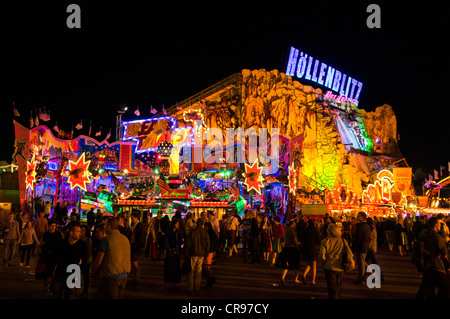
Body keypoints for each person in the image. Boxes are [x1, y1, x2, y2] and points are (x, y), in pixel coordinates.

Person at [90, 217, 131, 299]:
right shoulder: (125, 239)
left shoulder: (106, 240)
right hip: (124, 276)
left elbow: (98, 260)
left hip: (111, 277)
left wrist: (92, 274)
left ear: (109, 226)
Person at [415, 217, 450, 299]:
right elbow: (444, 254)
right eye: (439, 224)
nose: (440, 226)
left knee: (424, 289)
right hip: (436, 266)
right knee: (446, 287)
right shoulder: (437, 238)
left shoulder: (423, 234)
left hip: (426, 264)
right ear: (435, 225)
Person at [52, 222, 87, 299]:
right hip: (61, 271)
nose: (80, 234)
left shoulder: (82, 245)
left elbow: (84, 261)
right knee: (57, 292)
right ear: (71, 232)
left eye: (80, 232)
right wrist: (50, 272)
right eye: (78, 232)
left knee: (70, 294)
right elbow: (55, 258)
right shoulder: (62, 243)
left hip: (74, 273)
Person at [319, 223, 353, 299]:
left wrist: (323, 264)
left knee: (332, 288)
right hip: (340, 266)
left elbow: (322, 255)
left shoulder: (325, 241)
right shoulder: (343, 241)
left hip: (329, 266)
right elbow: (350, 253)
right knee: (338, 287)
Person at [184, 218, 210, 296]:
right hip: (201, 254)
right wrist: (206, 253)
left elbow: (188, 243)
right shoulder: (205, 233)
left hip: (193, 253)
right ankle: (197, 287)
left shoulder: (193, 232)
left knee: (191, 271)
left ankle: (190, 288)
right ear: (202, 224)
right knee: (199, 271)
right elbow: (207, 244)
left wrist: (186, 252)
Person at [40, 220, 63, 295]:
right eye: (52, 226)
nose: (53, 228)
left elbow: (60, 245)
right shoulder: (46, 234)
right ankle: (46, 286)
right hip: (46, 256)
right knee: (45, 271)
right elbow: (43, 244)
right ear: (49, 226)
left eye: (55, 226)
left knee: (51, 271)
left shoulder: (58, 234)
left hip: (55, 256)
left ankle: (50, 287)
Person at [278, 219, 301, 286]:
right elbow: (295, 241)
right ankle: (296, 279)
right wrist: (300, 244)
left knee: (285, 264)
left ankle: (283, 277)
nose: (295, 225)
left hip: (286, 248)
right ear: (291, 225)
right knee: (295, 265)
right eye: (294, 224)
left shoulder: (286, 231)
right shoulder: (293, 232)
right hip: (292, 248)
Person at [352, 211, 372, 284]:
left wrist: (354, 246)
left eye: (358, 216)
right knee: (363, 261)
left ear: (362, 217)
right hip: (365, 245)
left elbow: (358, 238)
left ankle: (362, 278)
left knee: (361, 263)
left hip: (360, 246)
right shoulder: (367, 225)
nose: (357, 217)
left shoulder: (360, 226)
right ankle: (368, 273)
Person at [164, 219, 182, 291]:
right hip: (172, 253)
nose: (178, 225)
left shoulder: (175, 232)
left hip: (173, 253)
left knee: (173, 268)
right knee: (172, 268)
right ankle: (171, 284)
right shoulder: (172, 233)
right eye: (177, 224)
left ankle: (172, 284)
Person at [300, 219, 320, 285]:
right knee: (314, 265)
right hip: (313, 248)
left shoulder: (305, 230)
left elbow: (301, 239)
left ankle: (304, 274)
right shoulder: (315, 230)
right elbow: (318, 240)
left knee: (308, 264)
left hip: (306, 248)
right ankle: (313, 280)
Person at [365, 217, 384, 282]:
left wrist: (368, 247)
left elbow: (371, 239)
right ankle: (367, 275)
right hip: (372, 247)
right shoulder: (373, 228)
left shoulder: (371, 229)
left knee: (373, 262)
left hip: (370, 248)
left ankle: (380, 277)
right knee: (368, 262)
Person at [130, 212, 146, 284]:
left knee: (134, 261)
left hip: (136, 246)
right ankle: (135, 277)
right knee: (134, 261)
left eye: (132, 218)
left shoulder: (139, 225)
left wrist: (137, 245)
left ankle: (136, 277)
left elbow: (140, 237)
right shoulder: (136, 224)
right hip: (134, 245)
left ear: (136, 217)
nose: (132, 219)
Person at [80, 224, 93, 298]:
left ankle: (85, 291)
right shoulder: (79, 239)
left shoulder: (88, 240)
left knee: (85, 276)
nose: (82, 232)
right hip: (80, 260)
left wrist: (87, 260)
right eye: (81, 230)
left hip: (86, 261)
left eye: (83, 230)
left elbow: (89, 252)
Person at [203, 221, 217, 288]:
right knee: (207, 267)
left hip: (208, 252)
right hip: (210, 252)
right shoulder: (212, 233)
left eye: (205, 226)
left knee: (206, 267)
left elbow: (209, 243)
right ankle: (209, 281)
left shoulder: (209, 234)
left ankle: (211, 278)